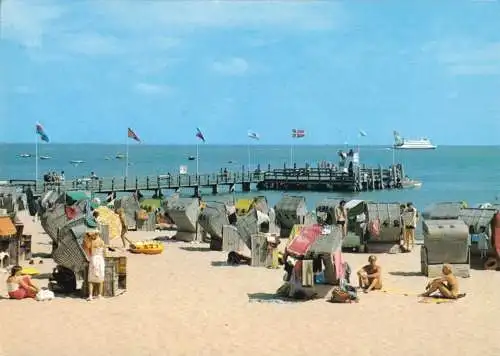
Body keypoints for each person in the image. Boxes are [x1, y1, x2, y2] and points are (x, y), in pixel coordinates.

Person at [82, 231, 105, 301]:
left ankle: (90, 296)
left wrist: (86, 238)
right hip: (100, 260)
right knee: (100, 279)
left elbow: (86, 249)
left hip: (93, 260)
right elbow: (104, 252)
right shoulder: (101, 241)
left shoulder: (90, 242)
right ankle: (99, 295)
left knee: (91, 280)